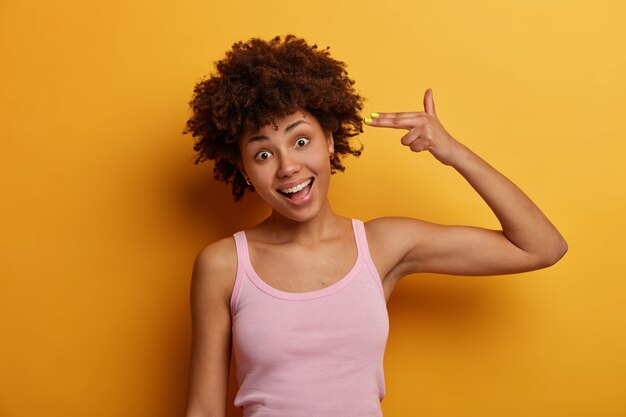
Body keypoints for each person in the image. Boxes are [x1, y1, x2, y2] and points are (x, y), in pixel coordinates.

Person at [182, 35, 567, 417]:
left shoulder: (381, 245)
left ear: (330, 142)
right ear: (244, 169)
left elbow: (540, 247)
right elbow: (203, 409)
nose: (287, 167)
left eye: (301, 141)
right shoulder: (224, 264)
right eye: (263, 153)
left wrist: (453, 153)